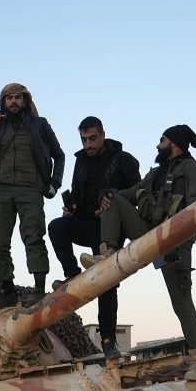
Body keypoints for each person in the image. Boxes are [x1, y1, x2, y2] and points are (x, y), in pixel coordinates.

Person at [81, 124, 196, 380]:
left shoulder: (193, 171)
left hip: (174, 239)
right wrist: (107, 195)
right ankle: (107, 254)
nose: (157, 145)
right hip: (147, 232)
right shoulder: (156, 173)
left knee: (182, 303)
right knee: (112, 197)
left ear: (175, 143)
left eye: (161, 140)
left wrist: (180, 242)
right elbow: (129, 194)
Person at [48, 116, 140, 359]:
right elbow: (78, 192)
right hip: (86, 223)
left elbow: (139, 194)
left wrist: (113, 200)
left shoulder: (124, 160)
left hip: (110, 229)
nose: (87, 144)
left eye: (92, 138)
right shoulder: (80, 161)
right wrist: (72, 208)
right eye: (83, 139)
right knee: (56, 227)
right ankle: (72, 275)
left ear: (103, 135)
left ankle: (109, 341)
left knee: (106, 283)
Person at [0, 83, 64, 304]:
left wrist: (54, 183)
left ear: (25, 101)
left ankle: (39, 288)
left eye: (18, 97)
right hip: (1, 190)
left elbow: (59, 155)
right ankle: (7, 287)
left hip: (31, 188)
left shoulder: (40, 125)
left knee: (34, 236)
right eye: (9, 98)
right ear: (3, 102)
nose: (13, 101)